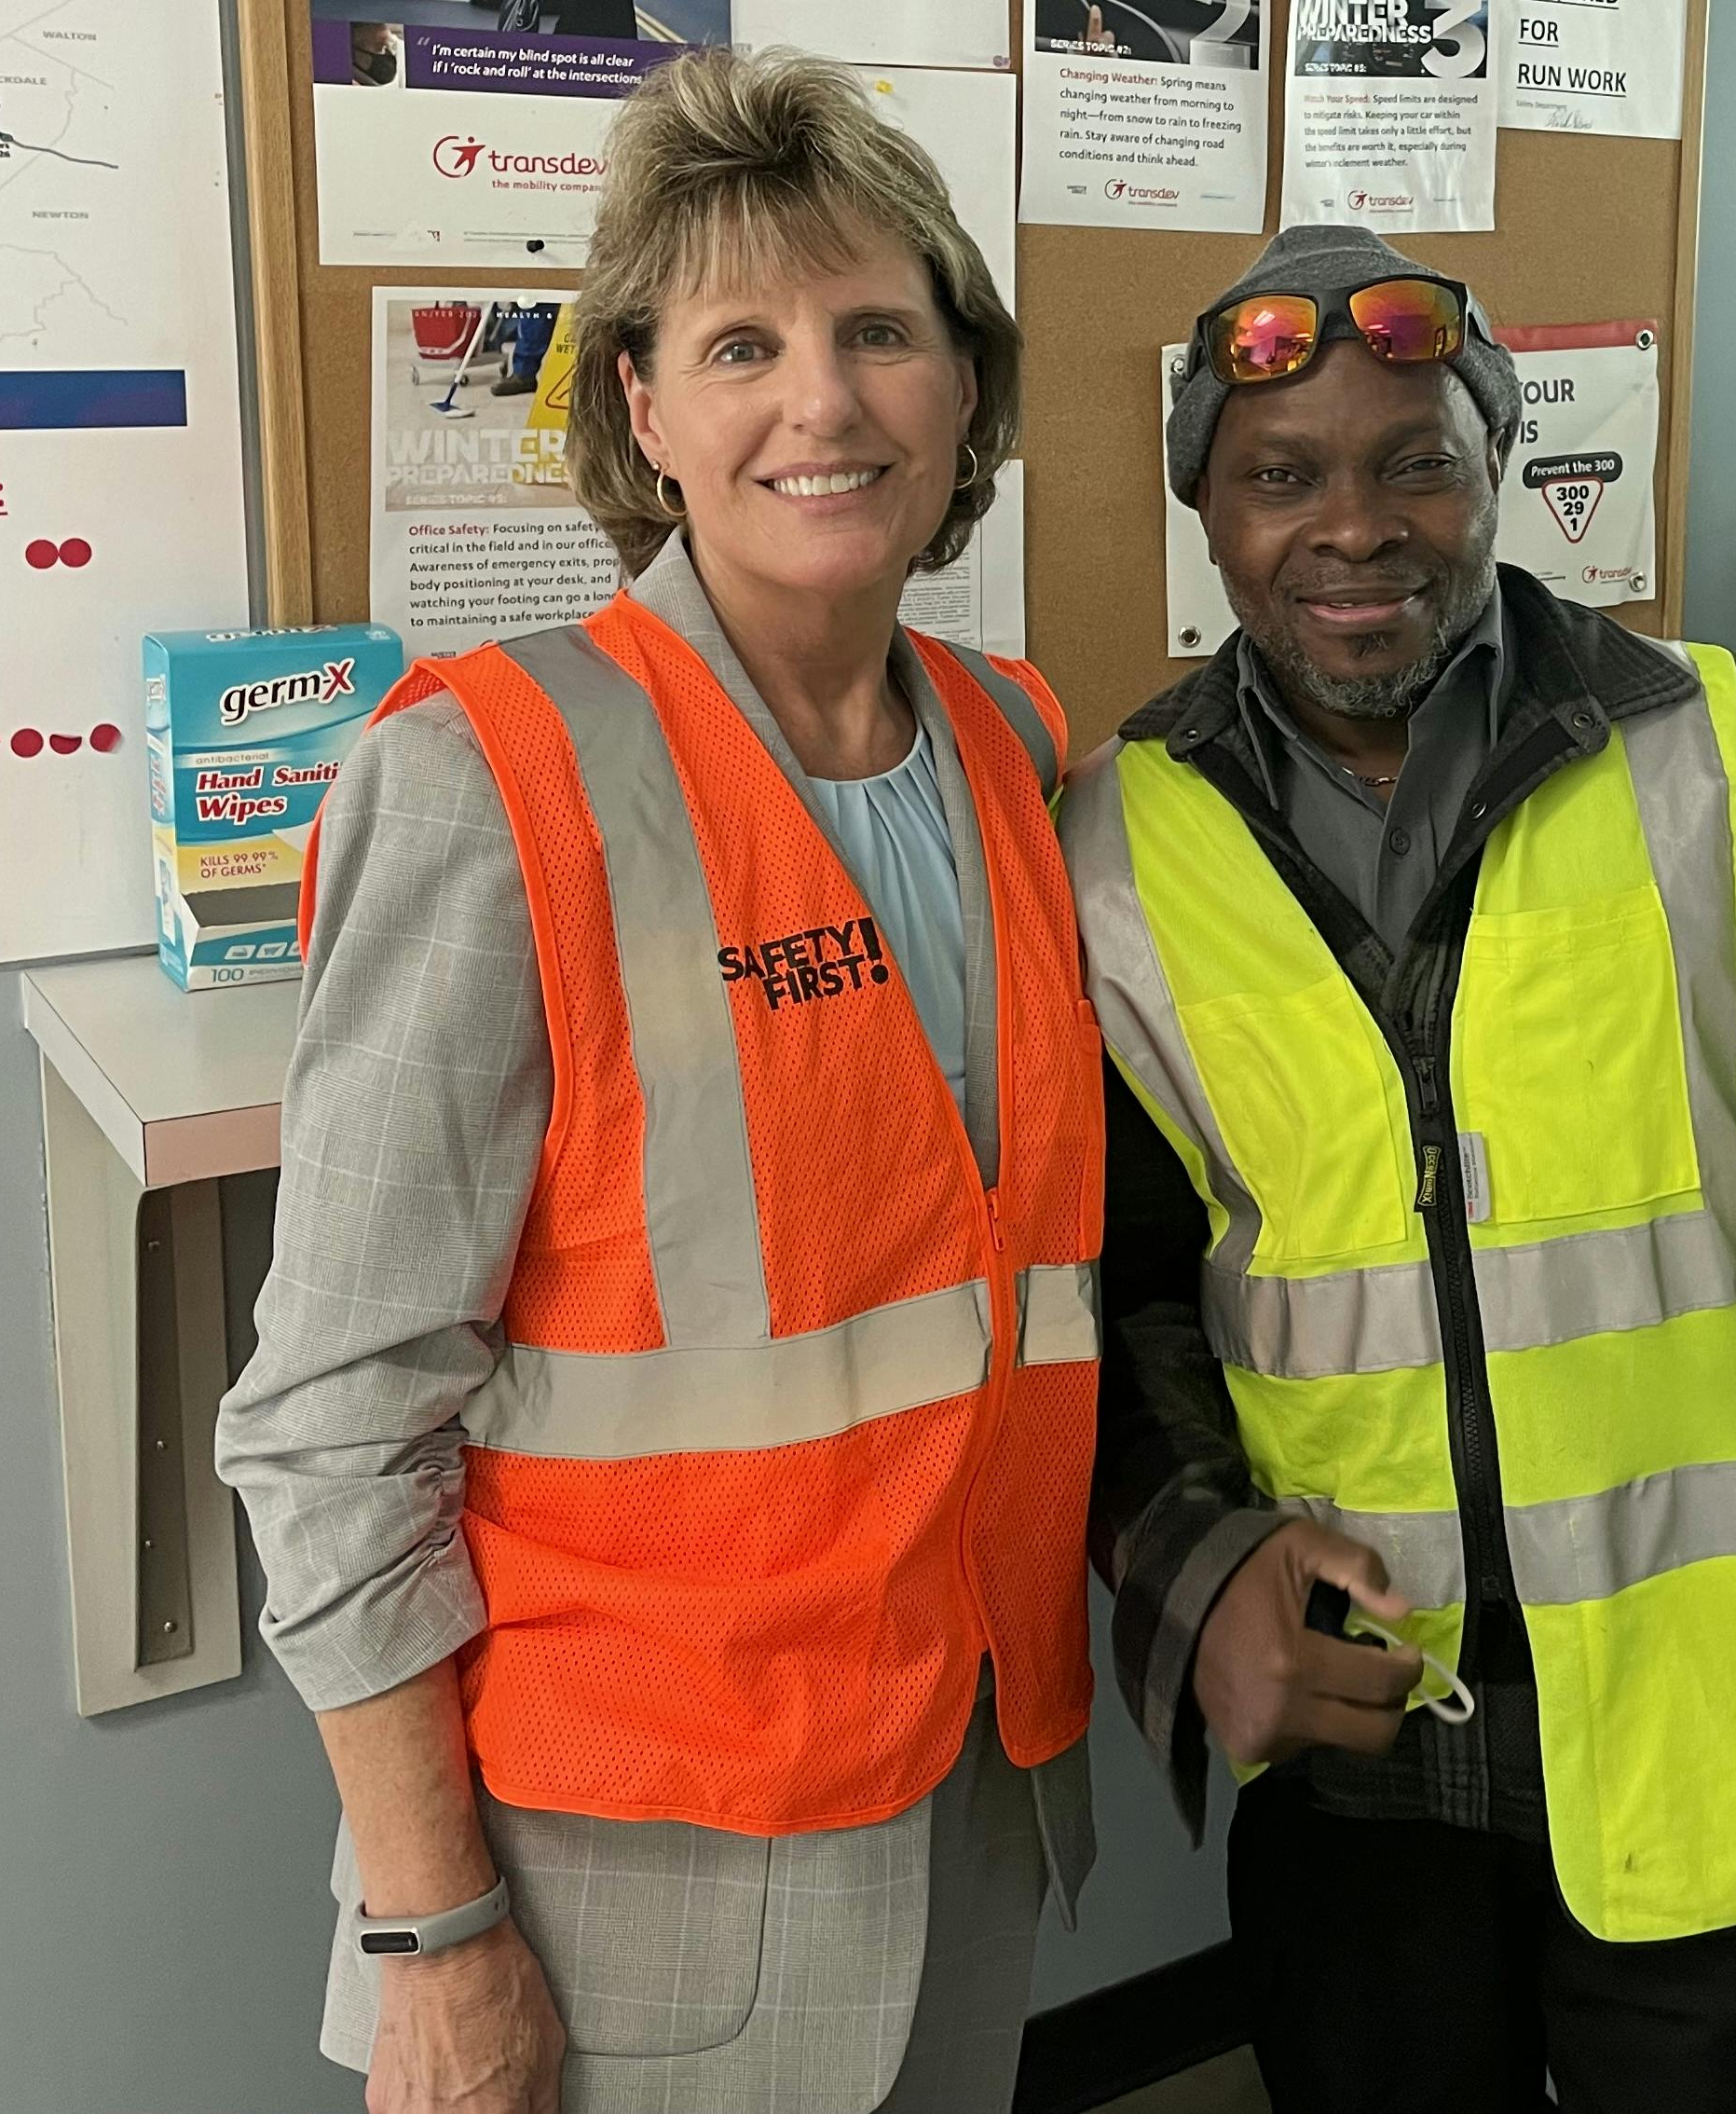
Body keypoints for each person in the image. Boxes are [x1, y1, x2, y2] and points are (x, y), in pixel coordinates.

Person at [1057, 224, 1736, 2114]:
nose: (1356, 525)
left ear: (1501, 464)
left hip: (1728, 1733)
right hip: (1370, 1755)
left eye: (1416, 456)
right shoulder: (1111, 842)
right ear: (1207, 510)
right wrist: (1198, 1575)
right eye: (1281, 475)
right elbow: (1119, 1303)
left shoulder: (1709, 763)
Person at [217, 48, 1101, 2114]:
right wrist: (431, 1937)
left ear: (964, 385)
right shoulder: (487, 782)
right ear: (643, 407)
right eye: (740, 344)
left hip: (964, 1790)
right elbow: (332, 1423)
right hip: (622, 1874)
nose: (823, 402)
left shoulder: (1015, 745)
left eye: (881, 330)